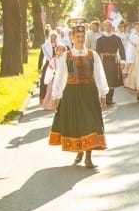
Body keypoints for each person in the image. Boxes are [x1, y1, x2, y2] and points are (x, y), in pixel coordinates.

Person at [48, 24, 108, 169]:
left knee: (90, 122)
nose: (81, 39)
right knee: (77, 123)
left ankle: (88, 157)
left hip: (89, 92)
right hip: (72, 93)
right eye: (78, 37)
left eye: (82, 37)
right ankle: (80, 151)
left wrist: (103, 93)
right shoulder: (66, 56)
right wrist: (56, 96)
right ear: (72, 38)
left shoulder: (93, 55)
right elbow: (60, 77)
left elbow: (99, 75)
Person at [93, 19, 127, 106]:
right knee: (105, 80)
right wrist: (96, 63)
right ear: (103, 27)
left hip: (113, 62)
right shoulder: (100, 39)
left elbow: (122, 49)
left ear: (112, 27)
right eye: (106, 25)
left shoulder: (117, 38)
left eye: (109, 26)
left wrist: (123, 61)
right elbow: (97, 52)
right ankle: (105, 97)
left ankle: (110, 98)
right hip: (104, 62)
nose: (108, 27)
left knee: (112, 80)